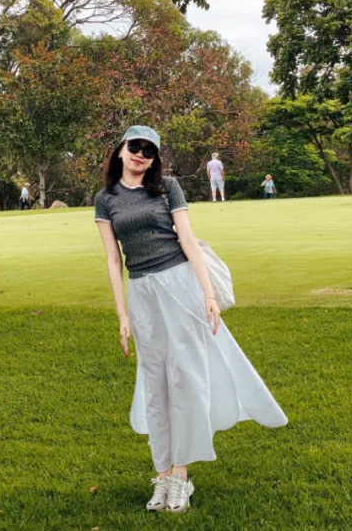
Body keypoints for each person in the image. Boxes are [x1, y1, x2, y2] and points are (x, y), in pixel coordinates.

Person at [94, 125, 286, 514]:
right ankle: (162, 476)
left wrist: (209, 295)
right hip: (142, 291)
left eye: (149, 150)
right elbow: (114, 259)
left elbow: (187, 239)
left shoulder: (167, 188)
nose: (141, 154)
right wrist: (121, 314)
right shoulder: (105, 199)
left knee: (184, 379)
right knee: (155, 384)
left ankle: (180, 477)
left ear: (155, 158)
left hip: (180, 284)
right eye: (135, 146)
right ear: (120, 150)